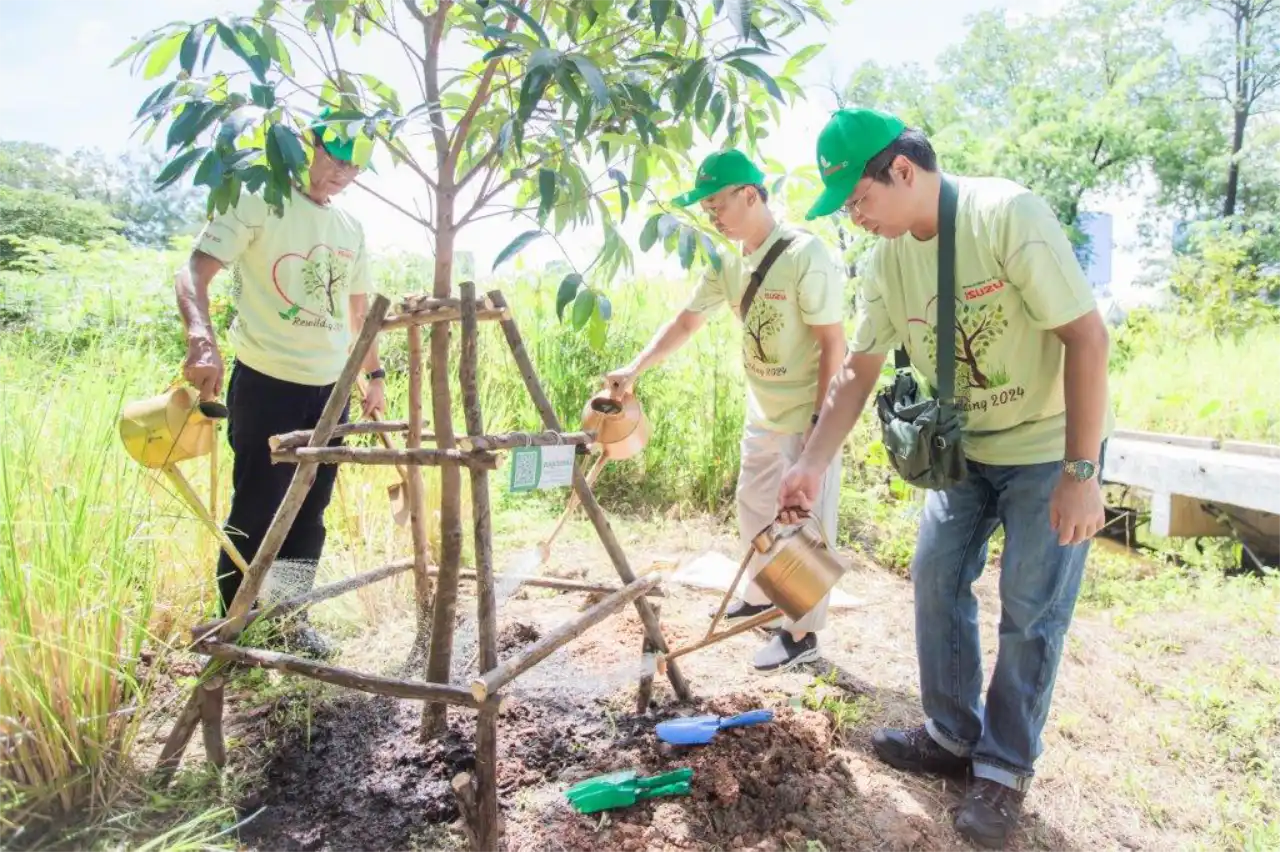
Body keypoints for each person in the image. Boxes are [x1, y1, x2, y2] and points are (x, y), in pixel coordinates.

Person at [777, 108, 1113, 849]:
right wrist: (809, 462)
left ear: (901, 169)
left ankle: (1003, 770)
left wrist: (1081, 471)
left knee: (1031, 607)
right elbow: (858, 373)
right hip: (965, 454)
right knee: (934, 575)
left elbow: (1087, 337)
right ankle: (952, 735)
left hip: (1049, 445)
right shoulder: (886, 262)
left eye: (858, 200)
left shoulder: (1006, 214)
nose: (855, 218)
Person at [606, 149, 848, 673]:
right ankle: (765, 596)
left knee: (803, 526)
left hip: (807, 415)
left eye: (716, 203)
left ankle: (802, 637)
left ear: (750, 195)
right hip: (762, 410)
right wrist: (635, 368)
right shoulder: (727, 260)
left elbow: (834, 344)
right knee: (754, 507)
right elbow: (688, 321)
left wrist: (820, 429)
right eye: (706, 206)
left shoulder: (807, 254)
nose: (711, 214)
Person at [175, 113, 384, 658]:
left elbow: (359, 313)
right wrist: (201, 336)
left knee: (310, 512)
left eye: (357, 163)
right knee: (256, 508)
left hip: (330, 392)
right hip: (267, 382)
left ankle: (289, 624)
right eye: (336, 156)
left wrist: (374, 378)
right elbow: (194, 270)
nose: (346, 172)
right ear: (306, 144)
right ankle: (235, 629)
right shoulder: (258, 196)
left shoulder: (350, 228)